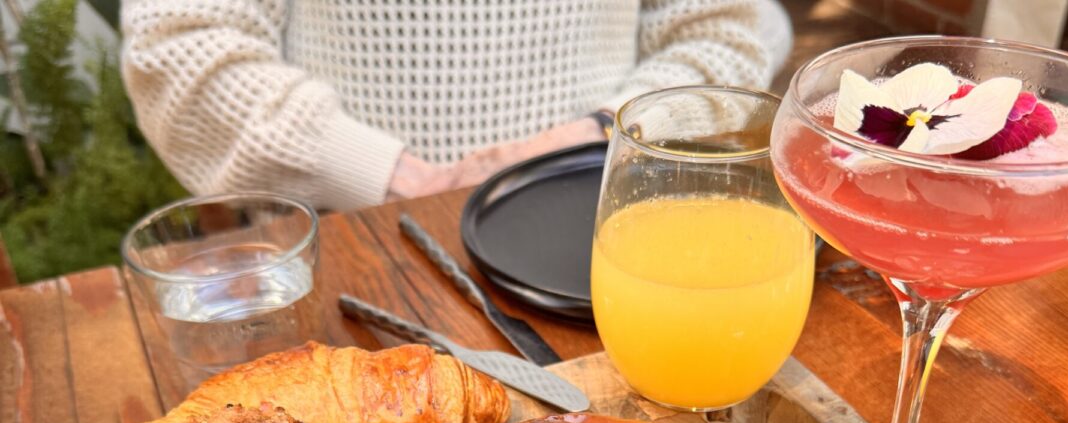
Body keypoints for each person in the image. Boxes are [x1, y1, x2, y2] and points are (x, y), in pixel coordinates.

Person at [121, 0, 793, 212]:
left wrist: (602, 134)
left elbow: (722, 35)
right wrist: (393, 177)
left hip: (597, 219)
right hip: (351, 234)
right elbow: (179, 43)